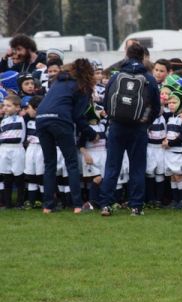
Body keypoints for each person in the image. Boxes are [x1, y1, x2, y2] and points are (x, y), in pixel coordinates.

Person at [99, 43, 161, 216]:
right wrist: (146, 123)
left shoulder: (116, 76)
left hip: (116, 126)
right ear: (143, 57)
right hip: (138, 128)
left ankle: (106, 204)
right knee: (137, 167)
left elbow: (106, 102)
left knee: (112, 167)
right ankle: (136, 206)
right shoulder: (148, 78)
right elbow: (155, 106)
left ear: (126, 55)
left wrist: (112, 119)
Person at [36, 59, 96, 213]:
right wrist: (91, 133)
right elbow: (77, 115)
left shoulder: (58, 81)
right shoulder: (83, 86)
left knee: (50, 163)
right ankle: (77, 205)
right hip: (60, 120)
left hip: (41, 118)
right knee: (71, 163)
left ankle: (47, 206)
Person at [0, 94, 26, 208]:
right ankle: (7, 203)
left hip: (17, 149)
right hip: (4, 149)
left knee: (19, 177)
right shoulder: (3, 120)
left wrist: (22, 111)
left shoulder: (22, 118)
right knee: (7, 177)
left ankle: (20, 203)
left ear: (17, 107)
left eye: (9, 106)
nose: (5, 108)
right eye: (4, 105)